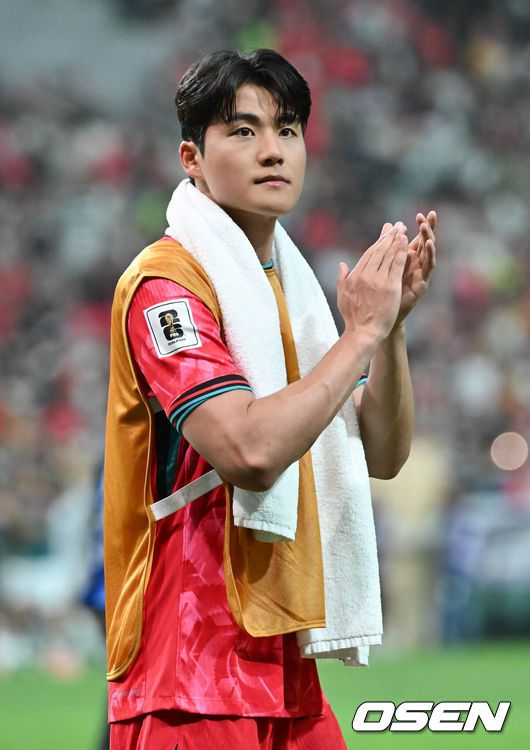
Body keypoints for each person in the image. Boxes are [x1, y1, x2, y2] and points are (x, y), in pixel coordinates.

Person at [103, 48, 437, 749]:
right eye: (243, 130)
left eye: (287, 129)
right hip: (189, 673)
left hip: (284, 660)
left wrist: (389, 331)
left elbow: (382, 454)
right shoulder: (166, 287)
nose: (272, 150)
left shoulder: (287, 289)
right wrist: (360, 334)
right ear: (192, 158)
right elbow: (250, 451)